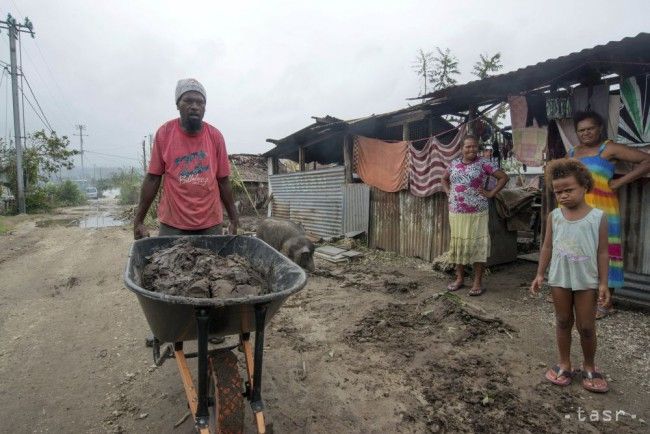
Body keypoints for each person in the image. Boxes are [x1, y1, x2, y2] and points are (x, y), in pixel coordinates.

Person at [531, 159, 610, 393]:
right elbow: (546, 247)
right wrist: (539, 274)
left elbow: (604, 252)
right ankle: (564, 363)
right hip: (560, 278)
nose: (563, 195)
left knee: (586, 326)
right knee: (563, 321)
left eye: (568, 190)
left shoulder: (598, 217)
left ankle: (589, 366)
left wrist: (604, 283)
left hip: (587, 280)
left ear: (585, 185)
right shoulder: (555, 216)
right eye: (558, 192)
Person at [133, 78, 239, 239]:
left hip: (210, 223)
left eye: (200, 102)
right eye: (188, 101)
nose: (195, 106)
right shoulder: (164, 133)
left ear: (205, 107)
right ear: (177, 104)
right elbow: (153, 178)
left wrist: (233, 218)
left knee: (213, 263)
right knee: (166, 262)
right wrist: (139, 221)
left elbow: (223, 180)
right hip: (172, 224)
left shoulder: (215, 137)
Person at [569, 111, 650, 318]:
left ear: (599, 129)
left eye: (590, 129)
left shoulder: (609, 148)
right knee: (580, 251)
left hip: (604, 211)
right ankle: (584, 297)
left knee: (607, 254)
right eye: (581, 130)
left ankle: (606, 303)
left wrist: (620, 182)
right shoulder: (572, 153)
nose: (586, 133)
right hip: (577, 212)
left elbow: (647, 160)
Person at [442, 135, 509, 296]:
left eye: (474, 146)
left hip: (477, 211)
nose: (471, 149)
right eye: (468, 147)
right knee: (459, 245)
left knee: (477, 246)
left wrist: (490, 193)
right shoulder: (454, 164)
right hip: (456, 212)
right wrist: (448, 193)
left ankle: (477, 282)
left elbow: (503, 177)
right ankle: (460, 279)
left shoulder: (484, 163)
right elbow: (444, 179)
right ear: (461, 149)